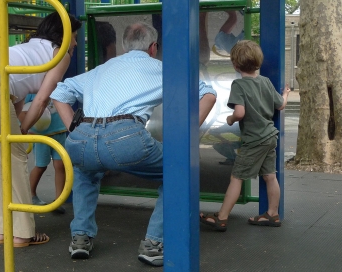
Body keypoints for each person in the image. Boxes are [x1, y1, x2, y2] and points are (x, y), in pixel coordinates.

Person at [50, 22, 217, 267]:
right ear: (153, 47)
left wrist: (73, 129)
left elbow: (59, 93)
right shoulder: (162, 69)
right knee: (176, 171)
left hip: (81, 138)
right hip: (125, 137)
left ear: (124, 46)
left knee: (85, 172)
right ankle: (154, 243)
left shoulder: (101, 69)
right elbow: (208, 94)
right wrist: (185, 136)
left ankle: (80, 238)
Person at [0, 12, 82, 247]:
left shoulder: (26, 48)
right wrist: (23, 129)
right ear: (63, 35)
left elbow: (14, 96)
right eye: (74, 36)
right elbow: (41, 100)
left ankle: (1, 230)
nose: (75, 43)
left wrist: (20, 128)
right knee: (14, 156)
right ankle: (21, 233)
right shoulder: (60, 54)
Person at [199, 40, 290, 232]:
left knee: (236, 178)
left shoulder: (239, 85)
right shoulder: (265, 82)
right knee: (270, 177)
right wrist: (286, 93)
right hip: (269, 137)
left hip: (254, 140)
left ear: (235, 65)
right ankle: (273, 214)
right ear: (258, 62)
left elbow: (240, 113)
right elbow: (281, 105)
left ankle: (221, 217)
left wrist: (231, 119)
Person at [21, 94, 66, 214]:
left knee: (61, 165)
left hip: (59, 131)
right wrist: (25, 129)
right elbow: (22, 111)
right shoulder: (33, 92)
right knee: (41, 166)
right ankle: (31, 194)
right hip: (41, 135)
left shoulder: (59, 88)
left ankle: (59, 200)